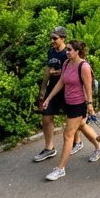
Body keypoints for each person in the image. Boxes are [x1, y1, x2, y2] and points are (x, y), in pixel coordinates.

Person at [40, 39, 100, 180]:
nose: (67, 52)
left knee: (68, 135)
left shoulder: (84, 66)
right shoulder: (66, 63)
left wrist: (90, 106)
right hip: (68, 103)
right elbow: (61, 82)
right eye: (67, 49)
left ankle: (60, 169)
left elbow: (88, 88)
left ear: (77, 52)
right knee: (81, 125)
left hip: (79, 104)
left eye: (69, 49)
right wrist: (48, 98)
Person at [33, 27, 73, 163]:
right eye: (51, 38)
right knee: (46, 116)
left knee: (73, 119)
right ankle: (49, 148)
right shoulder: (51, 52)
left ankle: (78, 142)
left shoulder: (68, 53)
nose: (52, 41)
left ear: (63, 38)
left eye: (55, 38)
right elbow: (47, 71)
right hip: (52, 90)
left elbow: (74, 70)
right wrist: (42, 90)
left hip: (67, 90)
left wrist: (60, 73)